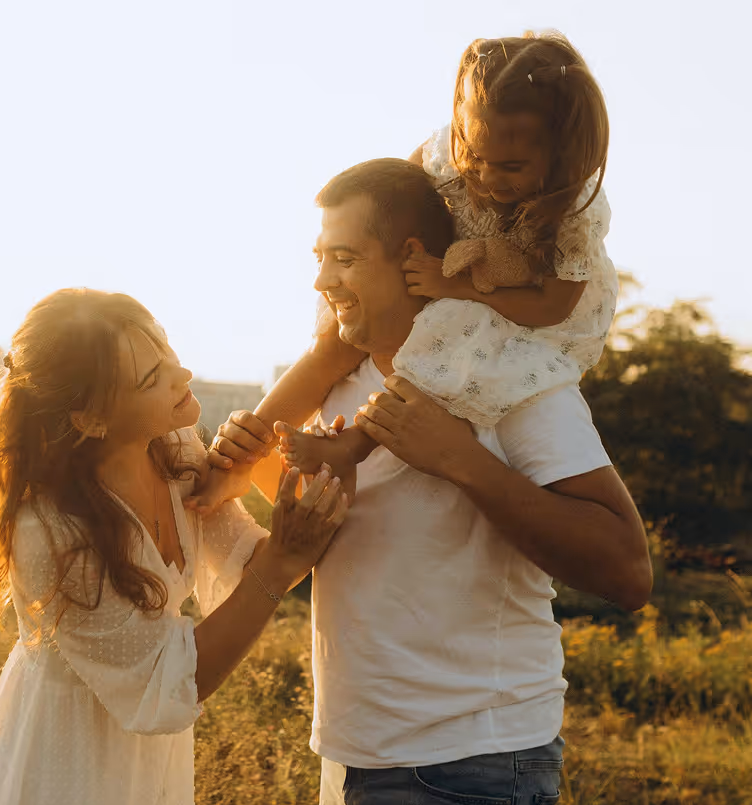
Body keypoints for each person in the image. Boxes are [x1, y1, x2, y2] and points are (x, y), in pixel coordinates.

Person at [203, 159, 652, 805]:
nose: (324, 281)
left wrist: (462, 460)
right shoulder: (336, 385)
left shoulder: (509, 378)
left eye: (345, 258)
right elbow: (351, 536)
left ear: (413, 258)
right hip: (347, 759)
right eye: (320, 259)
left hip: (470, 769)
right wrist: (256, 458)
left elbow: (628, 569)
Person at [0, 288, 349, 805]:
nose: (181, 372)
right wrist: (280, 564)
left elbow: (253, 559)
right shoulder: (49, 530)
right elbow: (175, 681)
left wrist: (282, 473)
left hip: (145, 753)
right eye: (152, 376)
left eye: (167, 349)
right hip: (68, 760)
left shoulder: (171, 446)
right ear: (90, 417)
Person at [190, 31, 618, 508]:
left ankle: (354, 445)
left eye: (512, 166)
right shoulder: (442, 151)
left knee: (447, 346)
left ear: (561, 154)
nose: (489, 178)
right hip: (447, 265)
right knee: (333, 342)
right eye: (474, 156)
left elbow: (554, 307)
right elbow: (398, 195)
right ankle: (246, 452)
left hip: (524, 302)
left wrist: (454, 286)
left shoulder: (575, 214)